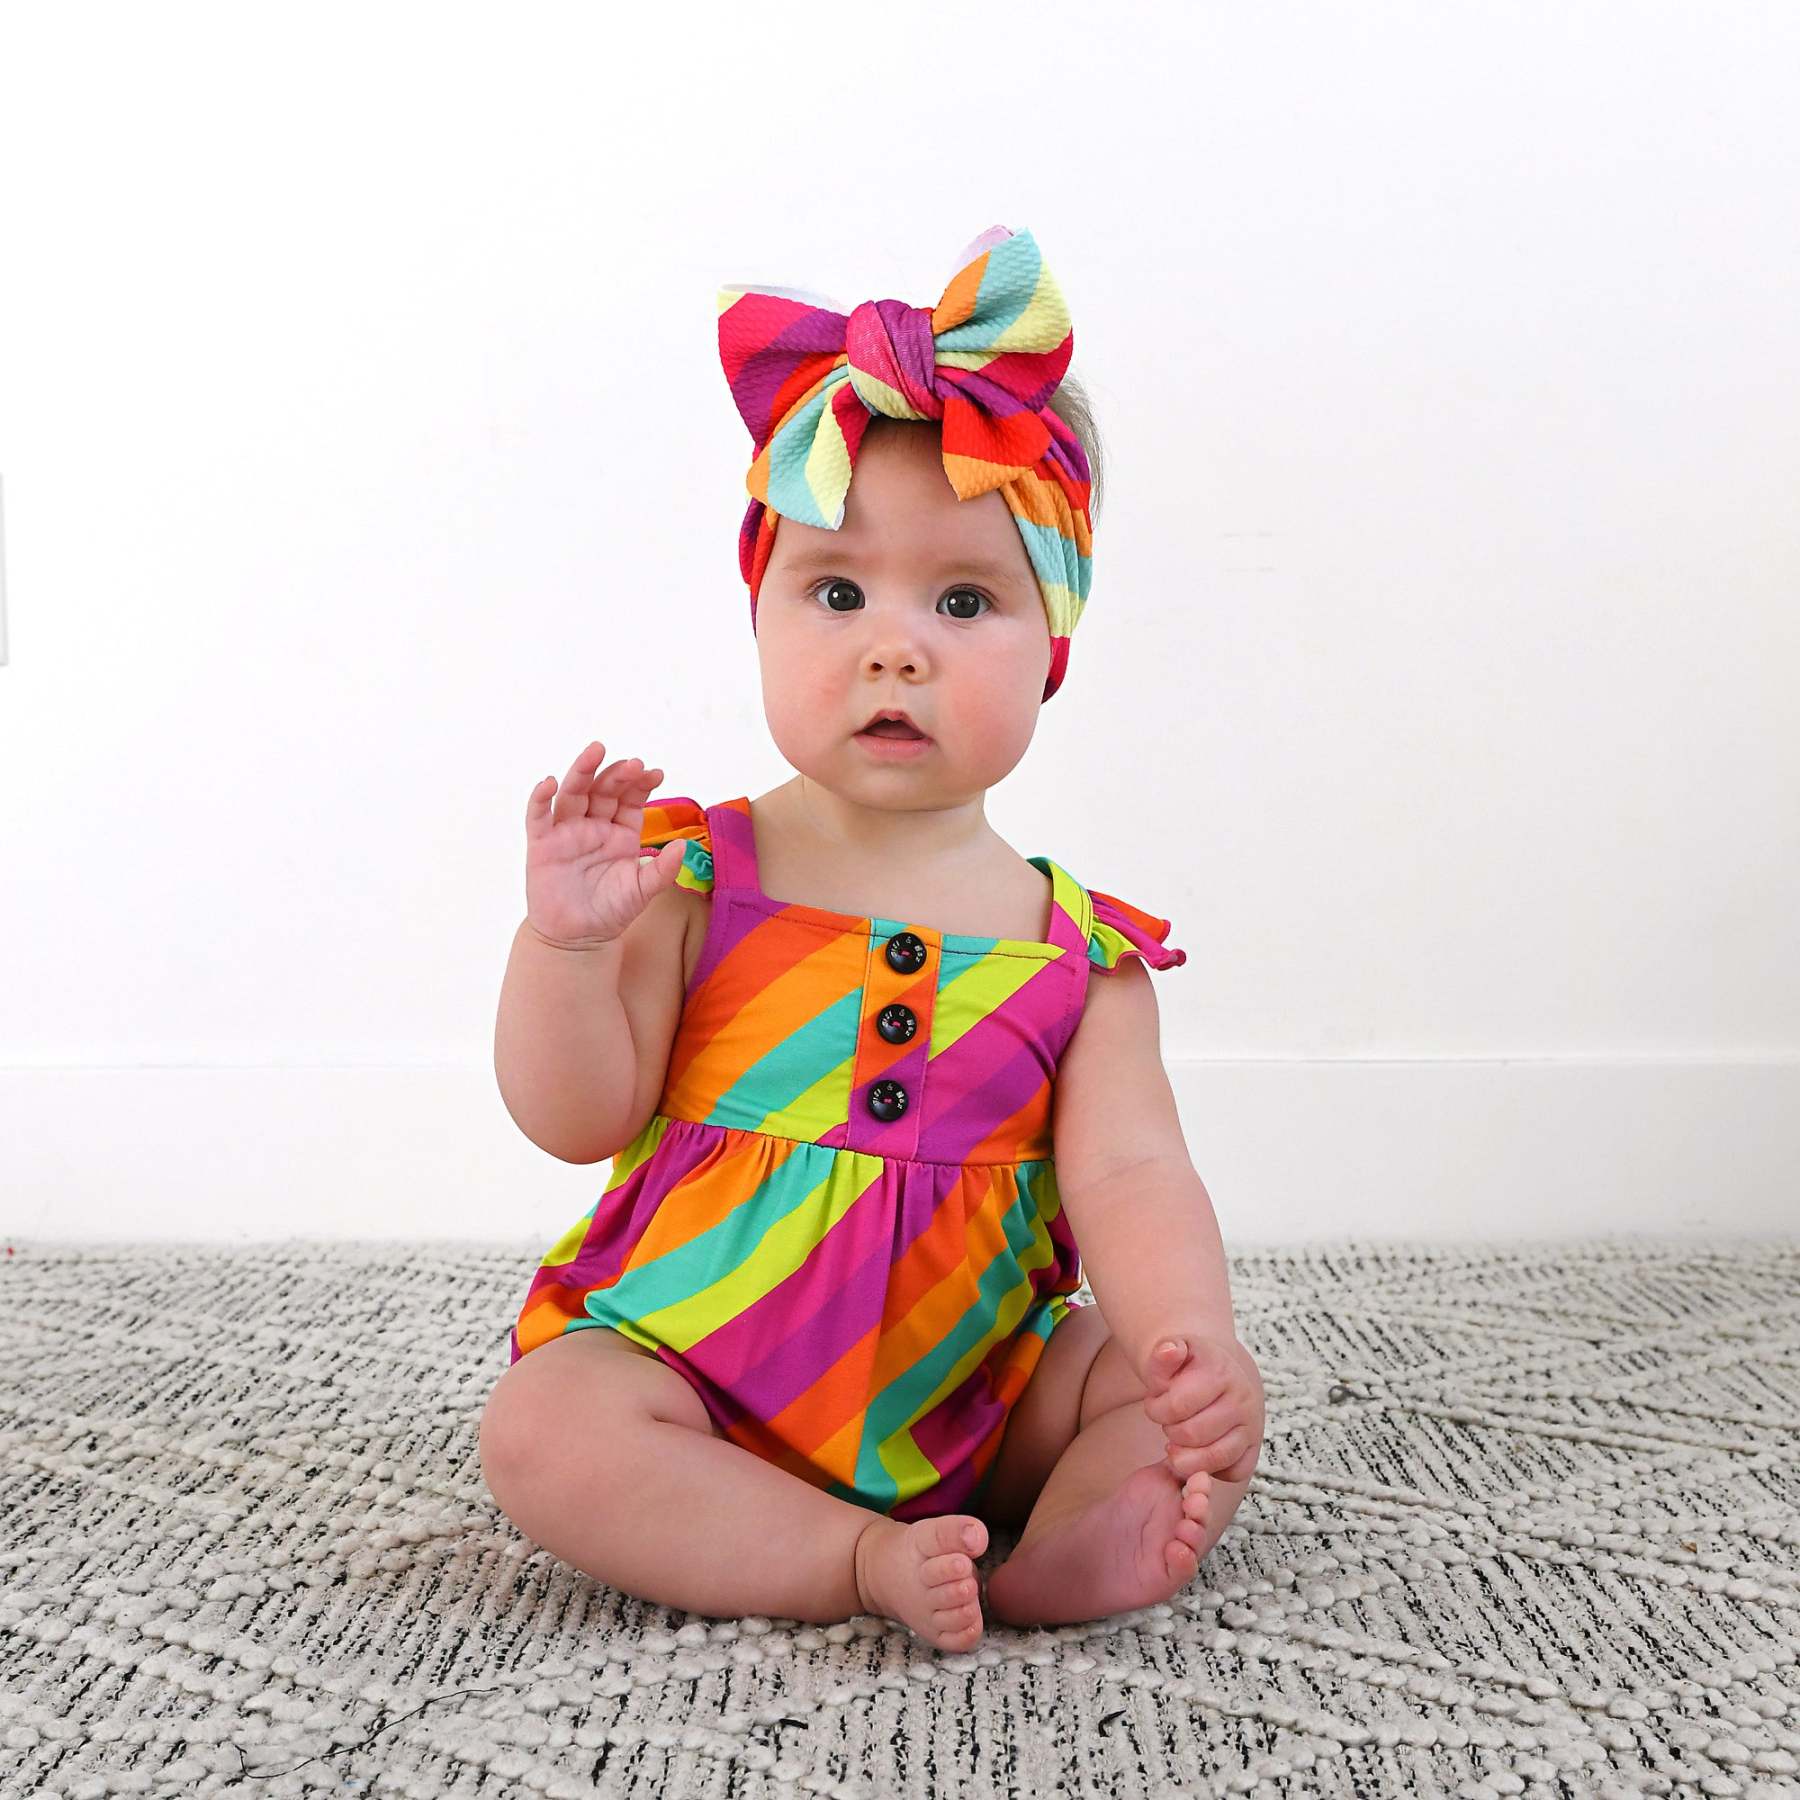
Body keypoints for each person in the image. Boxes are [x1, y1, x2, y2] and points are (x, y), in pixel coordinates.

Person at [479, 226, 1265, 1651]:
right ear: (763, 616)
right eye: (837, 594)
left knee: (1168, 1407)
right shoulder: (698, 881)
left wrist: (1189, 1344)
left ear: (1053, 648)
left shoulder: (1080, 958)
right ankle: (849, 1557)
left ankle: (1078, 1536)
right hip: (697, 1371)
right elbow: (574, 1117)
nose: (894, 648)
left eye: (963, 601)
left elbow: (1136, 1176)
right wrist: (568, 953)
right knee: (544, 1429)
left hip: (975, 1389)